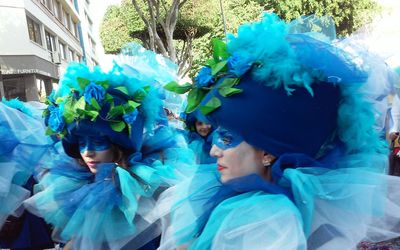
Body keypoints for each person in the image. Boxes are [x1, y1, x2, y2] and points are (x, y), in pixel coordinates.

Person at [157, 13, 400, 249]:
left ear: (268, 153)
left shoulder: (268, 219)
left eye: (228, 138)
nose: (214, 150)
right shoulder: (234, 194)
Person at [23, 60, 192, 250]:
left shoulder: (147, 182)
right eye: (81, 143)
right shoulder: (77, 183)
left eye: (98, 142)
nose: (87, 152)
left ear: (118, 144)